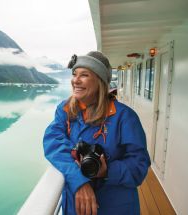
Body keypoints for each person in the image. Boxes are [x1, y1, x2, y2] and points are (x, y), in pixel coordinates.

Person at [43, 51, 151, 215]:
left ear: (100, 81)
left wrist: (107, 170)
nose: (75, 81)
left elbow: (139, 165)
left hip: (115, 207)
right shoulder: (65, 110)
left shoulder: (125, 117)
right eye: (74, 74)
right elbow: (53, 144)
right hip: (75, 206)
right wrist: (80, 182)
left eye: (84, 75)